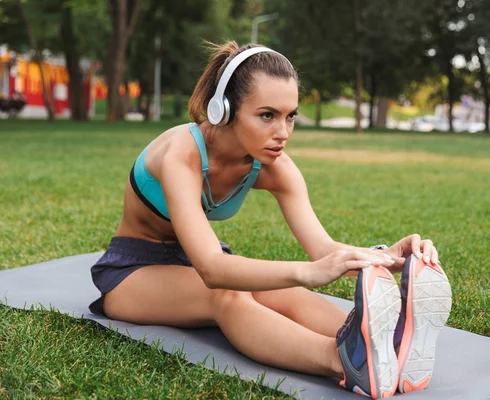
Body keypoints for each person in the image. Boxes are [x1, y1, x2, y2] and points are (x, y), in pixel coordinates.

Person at [89, 41, 451, 398]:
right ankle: (345, 362)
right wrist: (307, 271)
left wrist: (386, 258)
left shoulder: (276, 166)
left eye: (290, 115)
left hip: (191, 262)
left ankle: (389, 344)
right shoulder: (180, 153)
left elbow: (322, 249)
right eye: (267, 115)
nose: (283, 132)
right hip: (132, 272)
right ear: (223, 110)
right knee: (229, 295)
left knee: (288, 294)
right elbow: (213, 269)